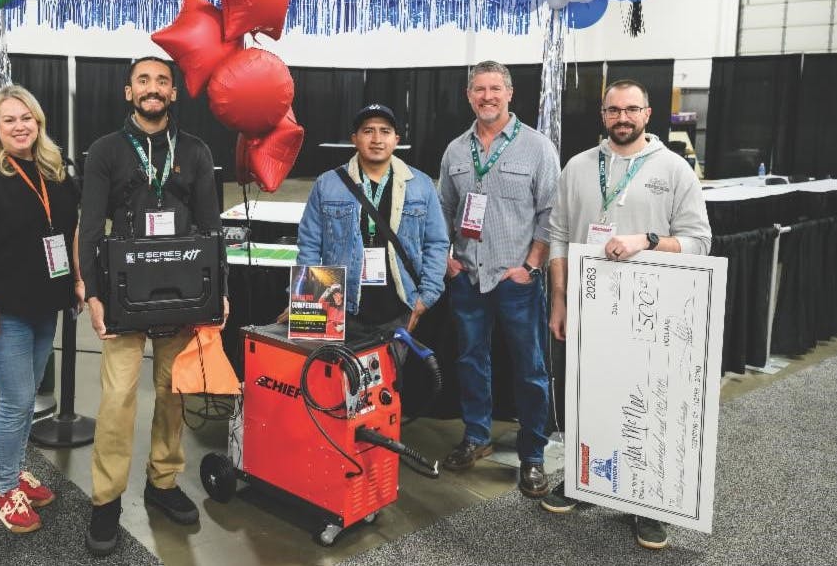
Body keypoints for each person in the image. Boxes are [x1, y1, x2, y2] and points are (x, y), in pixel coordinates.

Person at [543, 79, 713, 550]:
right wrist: (559, 299)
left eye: (631, 109)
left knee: (643, 404)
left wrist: (648, 241)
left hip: (648, 312)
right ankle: (586, 480)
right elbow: (558, 236)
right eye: (614, 110)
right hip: (588, 306)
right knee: (588, 398)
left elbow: (700, 242)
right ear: (603, 115)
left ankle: (647, 502)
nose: (622, 118)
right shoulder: (578, 166)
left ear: (647, 114)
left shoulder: (673, 169)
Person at [77, 56, 227, 557]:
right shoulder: (105, 151)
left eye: (162, 81)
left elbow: (211, 228)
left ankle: (162, 483)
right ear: (129, 91)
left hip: (182, 292)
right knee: (118, 398)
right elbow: (89, 226)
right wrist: (93, 293)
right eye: (143, 80)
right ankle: (106, 500)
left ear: (173, 93)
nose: (153, 88)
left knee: (171, 392)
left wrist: (219, 291)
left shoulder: (195, 150)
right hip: (123, 295)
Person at [0, 85, 81, 533]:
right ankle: (5, 489)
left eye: (27, 118)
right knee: (17, 400)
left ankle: (16, 470)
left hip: (45, 304)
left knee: (25, 401)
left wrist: (77, 280)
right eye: (9, 119)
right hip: (1, 310)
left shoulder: (56, 172)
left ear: (38, 122)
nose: (20, 126)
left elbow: (70, 232)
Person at [437, 61, 558, 497]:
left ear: (509, 94)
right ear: (469, 96)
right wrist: (448, 260)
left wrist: (531, 266)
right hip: (468, 277)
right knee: (471, 361)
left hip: (515, 279)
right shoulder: (455, 151)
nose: (487, 96)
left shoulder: (538, 147)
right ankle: (476, 437)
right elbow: (443, 210)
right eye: (479, 89)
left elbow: (551, 214)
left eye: (494, 89)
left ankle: (533, 456)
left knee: (530, 369)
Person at [296, 103, 449, 344]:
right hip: (340, 310)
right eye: (368, 131)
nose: (377, 139)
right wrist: (307, 300)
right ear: (354, 139)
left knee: (390, 369)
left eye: (385, 131)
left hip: (401, 307)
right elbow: (309, 245)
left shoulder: (421, 184)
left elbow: (437, 243)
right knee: (337, 369)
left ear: (396, 139)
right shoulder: (327, 184)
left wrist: (426, 297)